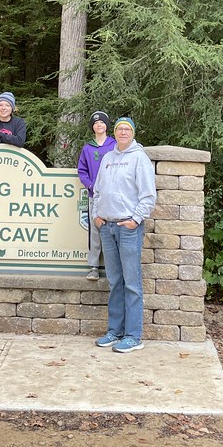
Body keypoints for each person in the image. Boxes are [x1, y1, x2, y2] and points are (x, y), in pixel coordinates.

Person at [92, 116, 156, 353]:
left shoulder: (139, 158)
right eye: (119, 129)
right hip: (107, 227)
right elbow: (97, 190)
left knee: (131, 283)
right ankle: (114, 331)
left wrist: (135, 220)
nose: (123, 132)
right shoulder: (108, 158)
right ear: (114, 133)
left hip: (128, 228)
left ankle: (133, 336)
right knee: (115, 281)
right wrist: (97, 215)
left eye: (127, 129)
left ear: (133, 133)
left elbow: (148, 195)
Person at [77, 110, 116, 281]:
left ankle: (112, 267)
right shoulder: (87, 148)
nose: (99, 125)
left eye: (102, 122)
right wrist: (90, 185)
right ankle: (93, 266)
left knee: (113, 229)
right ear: (92, 127)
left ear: (107, 125)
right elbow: (82, 171)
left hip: (112, 196)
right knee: (95, 230)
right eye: (95, 123)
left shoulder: (114, 145)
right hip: (94, 196)